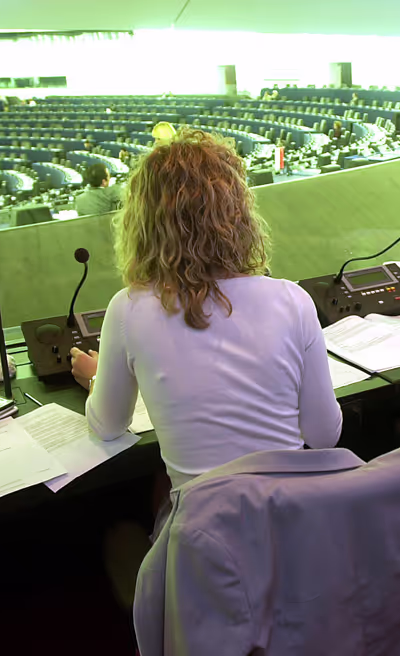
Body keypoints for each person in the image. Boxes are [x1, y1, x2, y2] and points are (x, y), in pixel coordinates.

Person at [69, 128, 341, 500]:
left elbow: (108, 427)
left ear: (144, 222)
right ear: (237, 211)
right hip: (296, 523)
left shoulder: (127, 309)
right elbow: (325, 435)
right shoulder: (293, 300)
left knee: (121, 532)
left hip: (206, 538)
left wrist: (97, 376)